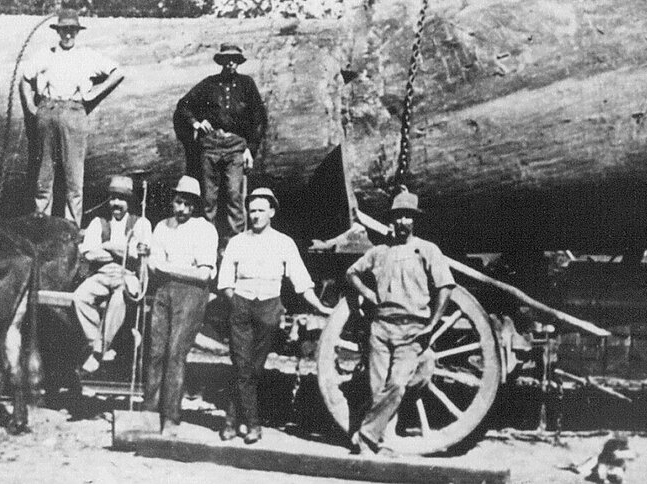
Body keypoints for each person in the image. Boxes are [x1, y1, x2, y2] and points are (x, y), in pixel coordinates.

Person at [215, 187, 332, 444]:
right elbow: (224, 282)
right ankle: (253, 425)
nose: (255, 215)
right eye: (252, 210)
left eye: (260, 210)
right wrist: (236, 304)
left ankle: (232, 420)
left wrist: (321, 306)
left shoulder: (283, 243)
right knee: (241, 364)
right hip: (241, 306)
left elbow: (301, 281)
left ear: (271, 212)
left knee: (253, 369)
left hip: (269, 308)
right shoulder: (237, 242)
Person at [344, 189, 455, 456]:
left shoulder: (427, 250)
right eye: (397, 217)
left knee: (397, 384)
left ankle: (366, 434)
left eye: (407, 217)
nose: (402, 222)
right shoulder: (379, 252)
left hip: (412, 328)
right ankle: (379, 440)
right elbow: (351, 273)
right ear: (391, 221)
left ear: (414, 221)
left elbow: (446, 286)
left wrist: (432, 324)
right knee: (377, 387)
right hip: (381, 327)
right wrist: (369, 294)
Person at [20, 9, 123, 225]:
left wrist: (94, 93)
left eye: (72, 30)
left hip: (74, 112)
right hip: (47, 111)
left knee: (74, 180)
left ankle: (71, 231)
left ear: (77, 32)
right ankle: (41, 228)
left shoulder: (87, 56)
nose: (68, 35)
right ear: (58, 31)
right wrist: (31, 105)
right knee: (43, 178)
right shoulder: (46, 54)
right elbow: (25, 79)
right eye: (64, 30)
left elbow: (118, 72)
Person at [143, 176, 219, 436]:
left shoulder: (205, 229)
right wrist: (167, 266)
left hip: (192, 294)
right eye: (178, 202)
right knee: (154, 351)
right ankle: (149, 412)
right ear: (173, 201)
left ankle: (170, 417)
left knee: (176, 353)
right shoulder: (162, 227)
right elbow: (154, 264)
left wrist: (168, 267)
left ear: (195, 206)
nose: (182, 209)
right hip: (164, 291)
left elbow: (204, 274)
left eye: (188, 204)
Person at [173, 43, 267, 245]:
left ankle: (236, 244)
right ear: (221, 62)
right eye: (226, 59)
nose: (230, 63)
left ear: (238, 62)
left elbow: (259, 119)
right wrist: (196, 123)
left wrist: (250, 150)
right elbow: (184, 105)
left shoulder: (246, 84)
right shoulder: (210, 84)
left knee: (235, 196)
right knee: (209, 199)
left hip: (236, 147)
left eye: (234, 59)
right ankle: (207, 243)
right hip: (211, 146)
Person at [73, 175, 152, 374]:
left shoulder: (141, 223)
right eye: (113, 198)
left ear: (129, 201)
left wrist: (106, 246)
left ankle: (98, 352)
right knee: (79, 297)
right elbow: (90, 253)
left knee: (119, 298)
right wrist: (120, 251)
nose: (116, 203)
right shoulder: (98, 223)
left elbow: (136, 254)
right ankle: (98, 345)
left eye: (122, 199)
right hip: (103, 274)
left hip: (128, 275)